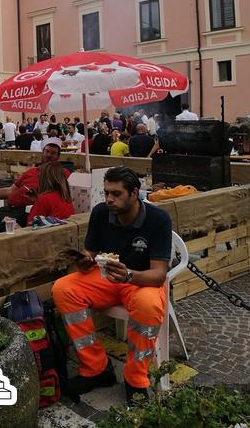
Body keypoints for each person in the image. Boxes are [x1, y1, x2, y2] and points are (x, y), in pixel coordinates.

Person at [52, 166, 171, 405]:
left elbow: (158, 275)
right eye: (106, 193)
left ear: (134, 193)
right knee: (63, 289)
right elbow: (92, 252)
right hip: (105, 278)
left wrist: (129, 275)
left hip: (139, 280)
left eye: (116, 194)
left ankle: (135, 378)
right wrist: (84, 260)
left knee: (148, 305)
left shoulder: (158, 219)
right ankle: (96, 368)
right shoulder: (100, 213)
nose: (109, 199)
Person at [0, 143, 71, 236]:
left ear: (58, 157)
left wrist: (37, 199)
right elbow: (10, 191)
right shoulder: (32, 171)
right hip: (14, 208)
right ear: (42, 153)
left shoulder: (61, 173)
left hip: (30, 214)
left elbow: (33, 223)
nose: (49, 155)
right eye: (47, 151)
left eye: (53, 153)